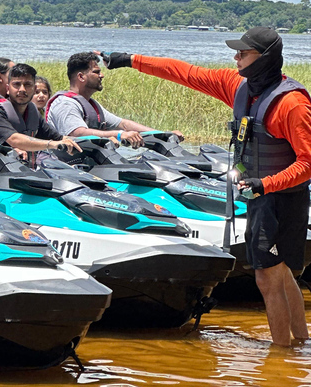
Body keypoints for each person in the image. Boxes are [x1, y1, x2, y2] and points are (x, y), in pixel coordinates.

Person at [101, 27, 311, 346]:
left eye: (243, 53)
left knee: (268, 277)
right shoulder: (237, 86)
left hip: (284, 199)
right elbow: (185, 73)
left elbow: (307, 163)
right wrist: (130, 60)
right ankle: (300, 348)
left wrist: (264, 184)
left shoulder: (293, 104)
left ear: (265, 59)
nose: (236, 57)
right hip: (260, 196)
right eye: (236, 52)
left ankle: (281, 359)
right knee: (278, 272)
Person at [45, 51, 184, 149]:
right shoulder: (65, 104)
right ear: (81, 77)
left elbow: (123, 124)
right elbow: (78, 133)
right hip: (66, 169)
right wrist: (119, 135)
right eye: (96, 72)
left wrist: (162, 134)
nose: (102, 75)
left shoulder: (91, 104)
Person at [0, 63, 80, 165]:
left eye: (27, 85)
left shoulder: (33, 113)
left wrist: (79, 142)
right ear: (8, 89)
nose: (22, 89)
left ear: (34, 89)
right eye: (16, 85)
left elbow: (57, 138)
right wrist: (52, 144)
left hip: (20, 173)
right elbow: (14, 140)